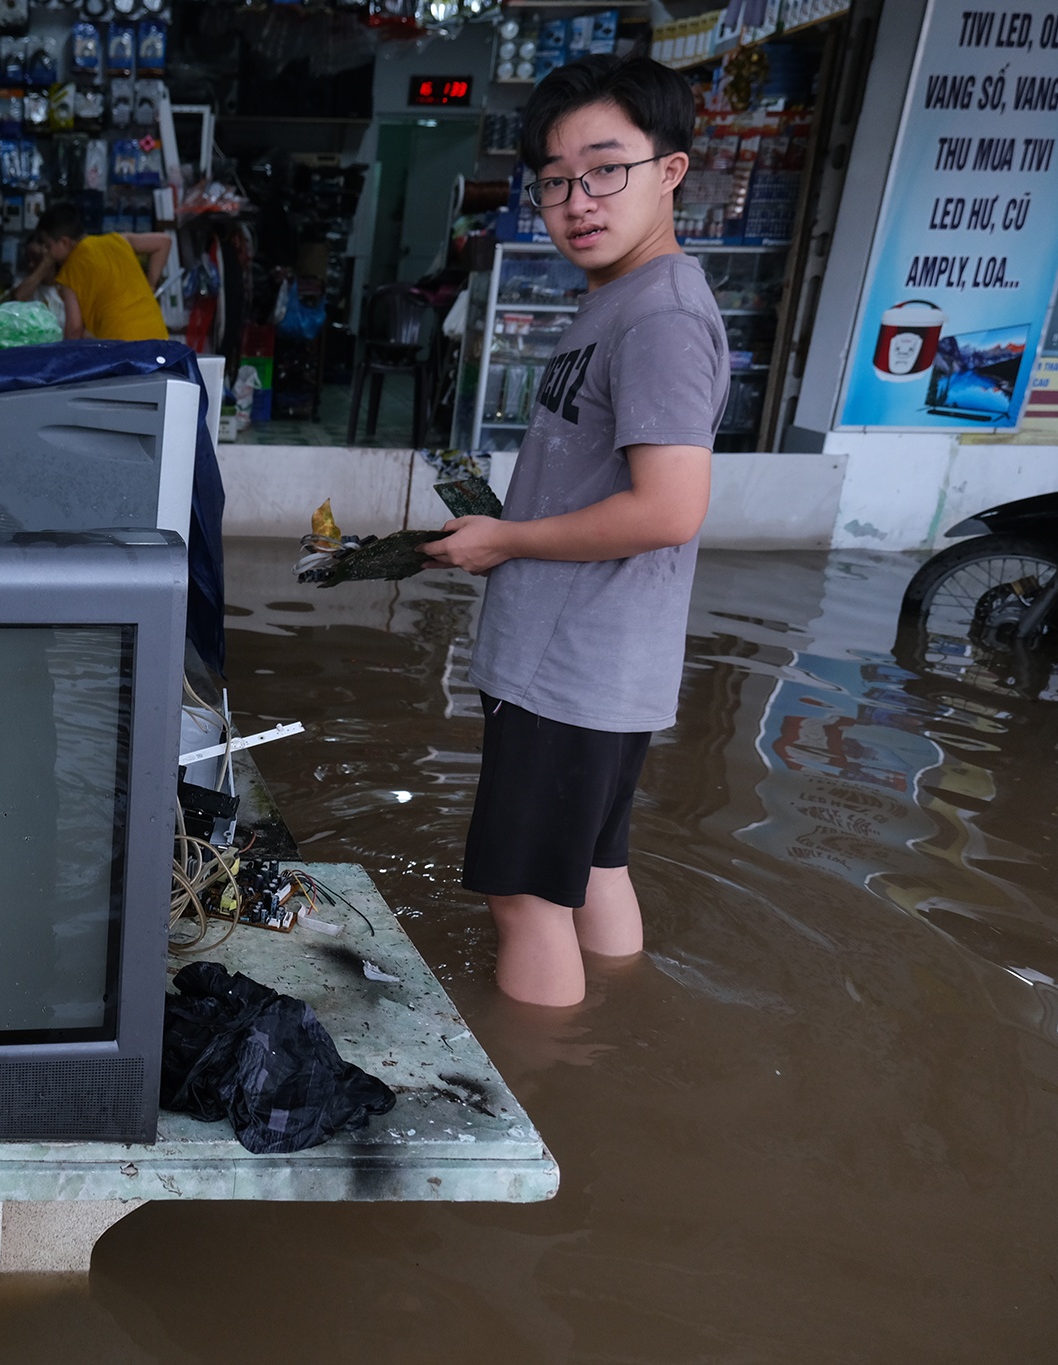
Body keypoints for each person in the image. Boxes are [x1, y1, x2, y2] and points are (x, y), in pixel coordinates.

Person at [423, 55, 728, 1009]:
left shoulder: (661, 316)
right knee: (591, 868)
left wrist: (506, 542)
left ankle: (546, 1095)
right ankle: (615, 1053)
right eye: (554, 180)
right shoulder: (621, 299)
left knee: (523, 900)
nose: (577, 199)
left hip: (571, 667)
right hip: (601, 661)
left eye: (606, 168)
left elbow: (669, 508)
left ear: (670, 170)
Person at [14, 204, 171, 342]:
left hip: (122, 346)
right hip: (158, 336)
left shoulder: (70, 270)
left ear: (63, 242)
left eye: (48, 246)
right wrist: (151, 284)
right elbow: (164, 242)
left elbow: (74, 329)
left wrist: (64, 359)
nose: (45, 253)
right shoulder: (117, 240)